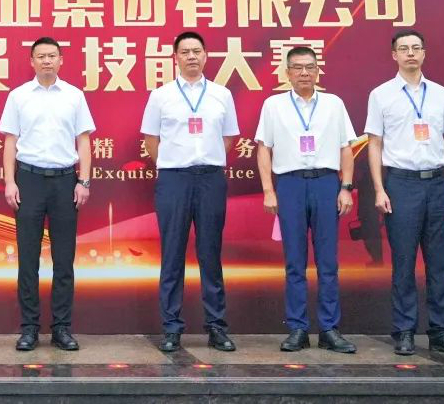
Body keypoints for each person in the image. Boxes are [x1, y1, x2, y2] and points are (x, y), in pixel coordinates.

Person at [365, 29, 444, 356]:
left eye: (416, 48)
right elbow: (374, 143)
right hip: (401, 185)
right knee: (404, 262)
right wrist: (380, 189)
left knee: (439, 263)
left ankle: (441, 332)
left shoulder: (440, 94)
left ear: (424, 53)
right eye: (404, 48)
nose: (410, 53)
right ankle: (404, 331)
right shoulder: (381, 95)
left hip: (439, 184)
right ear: (394, 55)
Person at [140, 31, 239, 353]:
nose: (192, 56)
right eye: (185, 52)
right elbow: (151, 139)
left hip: (210, 178)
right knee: (172, 255)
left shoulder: (221, 95)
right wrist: (173, 163)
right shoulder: (161, 96)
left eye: (197, 51)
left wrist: (205, 159)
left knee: (211, 254)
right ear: (175, 58)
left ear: (206, 56)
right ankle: (171, 327)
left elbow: (229, 138)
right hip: (174, 179)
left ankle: (216, 327)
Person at [255, 46, 357, 354]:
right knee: (294, 262)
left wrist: (345, 187)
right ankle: (297, 328)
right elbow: (264, 149)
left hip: (326, 183)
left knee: (328, 262)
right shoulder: (273, 105)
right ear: (287, 73)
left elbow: (346, 148)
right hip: (290, 184)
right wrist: (268, 190)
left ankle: (329, 329)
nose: (304, 73)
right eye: (297, 68)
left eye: (309, 67)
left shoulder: (333, 104)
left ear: (317, 71)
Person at [0, 37, 94, 351]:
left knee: (64, 260)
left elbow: (83, 141)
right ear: (32, 61)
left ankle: (62, 328)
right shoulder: (18, 96)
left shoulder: (74, 96)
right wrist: (10, 182)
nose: (47, 61)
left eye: (52, 56)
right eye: (40, 56)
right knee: (28, 259)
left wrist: (84, 181)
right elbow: (10, 142)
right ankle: (29, 328)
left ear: (61, 60)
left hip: (65, 181)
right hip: (29, 180)